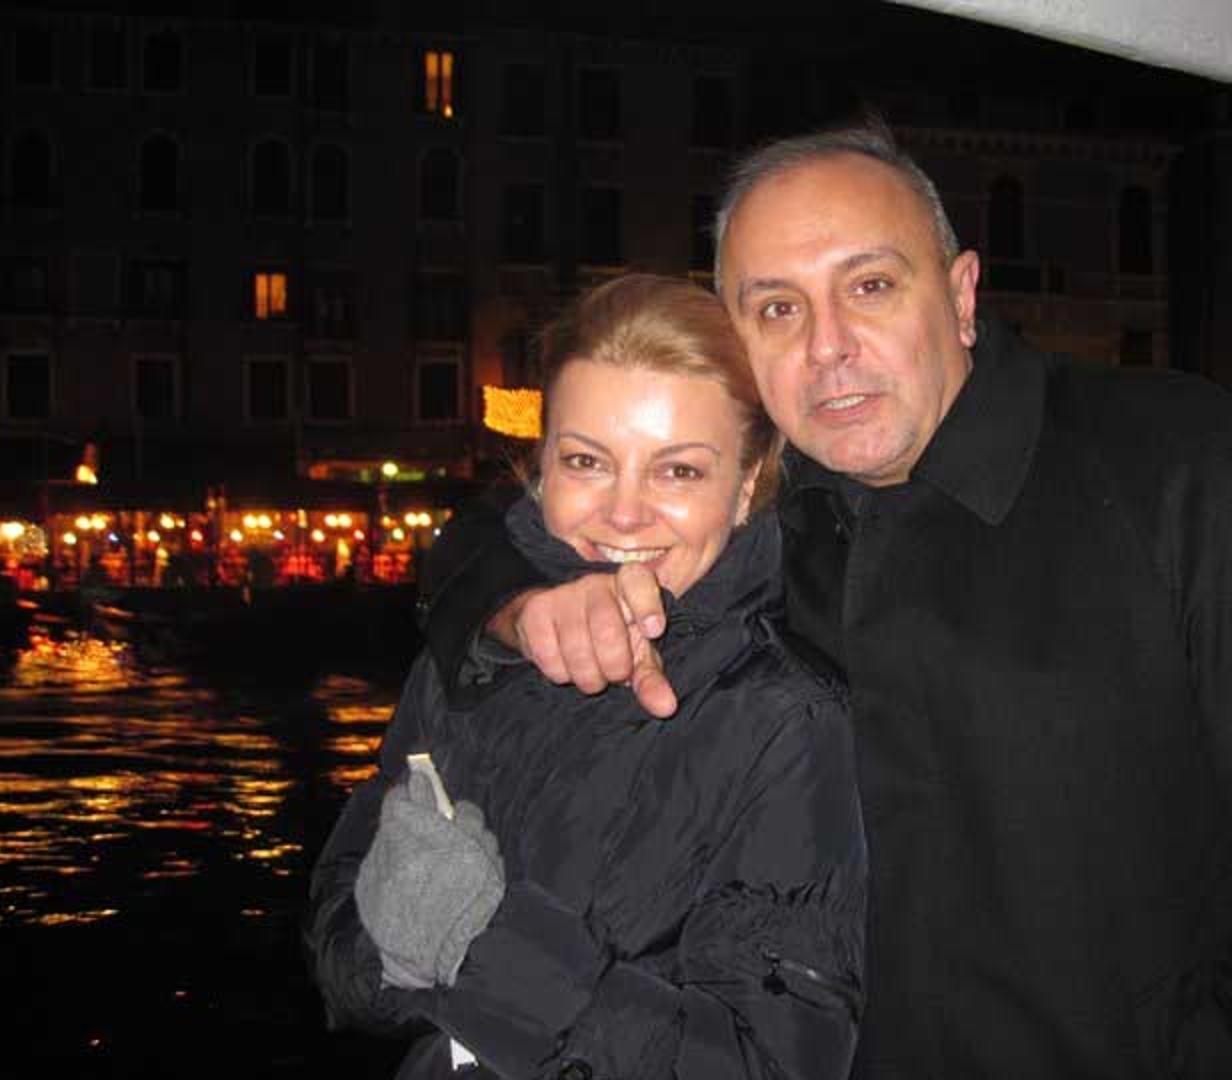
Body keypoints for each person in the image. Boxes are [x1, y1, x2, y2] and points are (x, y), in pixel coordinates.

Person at [424, 122, 1232, 1079]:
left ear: (961, 294)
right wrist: (521, 606)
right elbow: (495, 535)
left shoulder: (1169, 459)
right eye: (777, 309)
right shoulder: (764, 516)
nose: (828, 346)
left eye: (870, 285)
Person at [306, 273, 866, 1080]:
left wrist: (482, 947)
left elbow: (769, 1065)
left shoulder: (790, 725)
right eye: (586, 461)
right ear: (541, 467)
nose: (624, 514)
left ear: (746, 487)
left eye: (679, 471)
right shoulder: (475, 659)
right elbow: (340, 954)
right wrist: (396, 942)